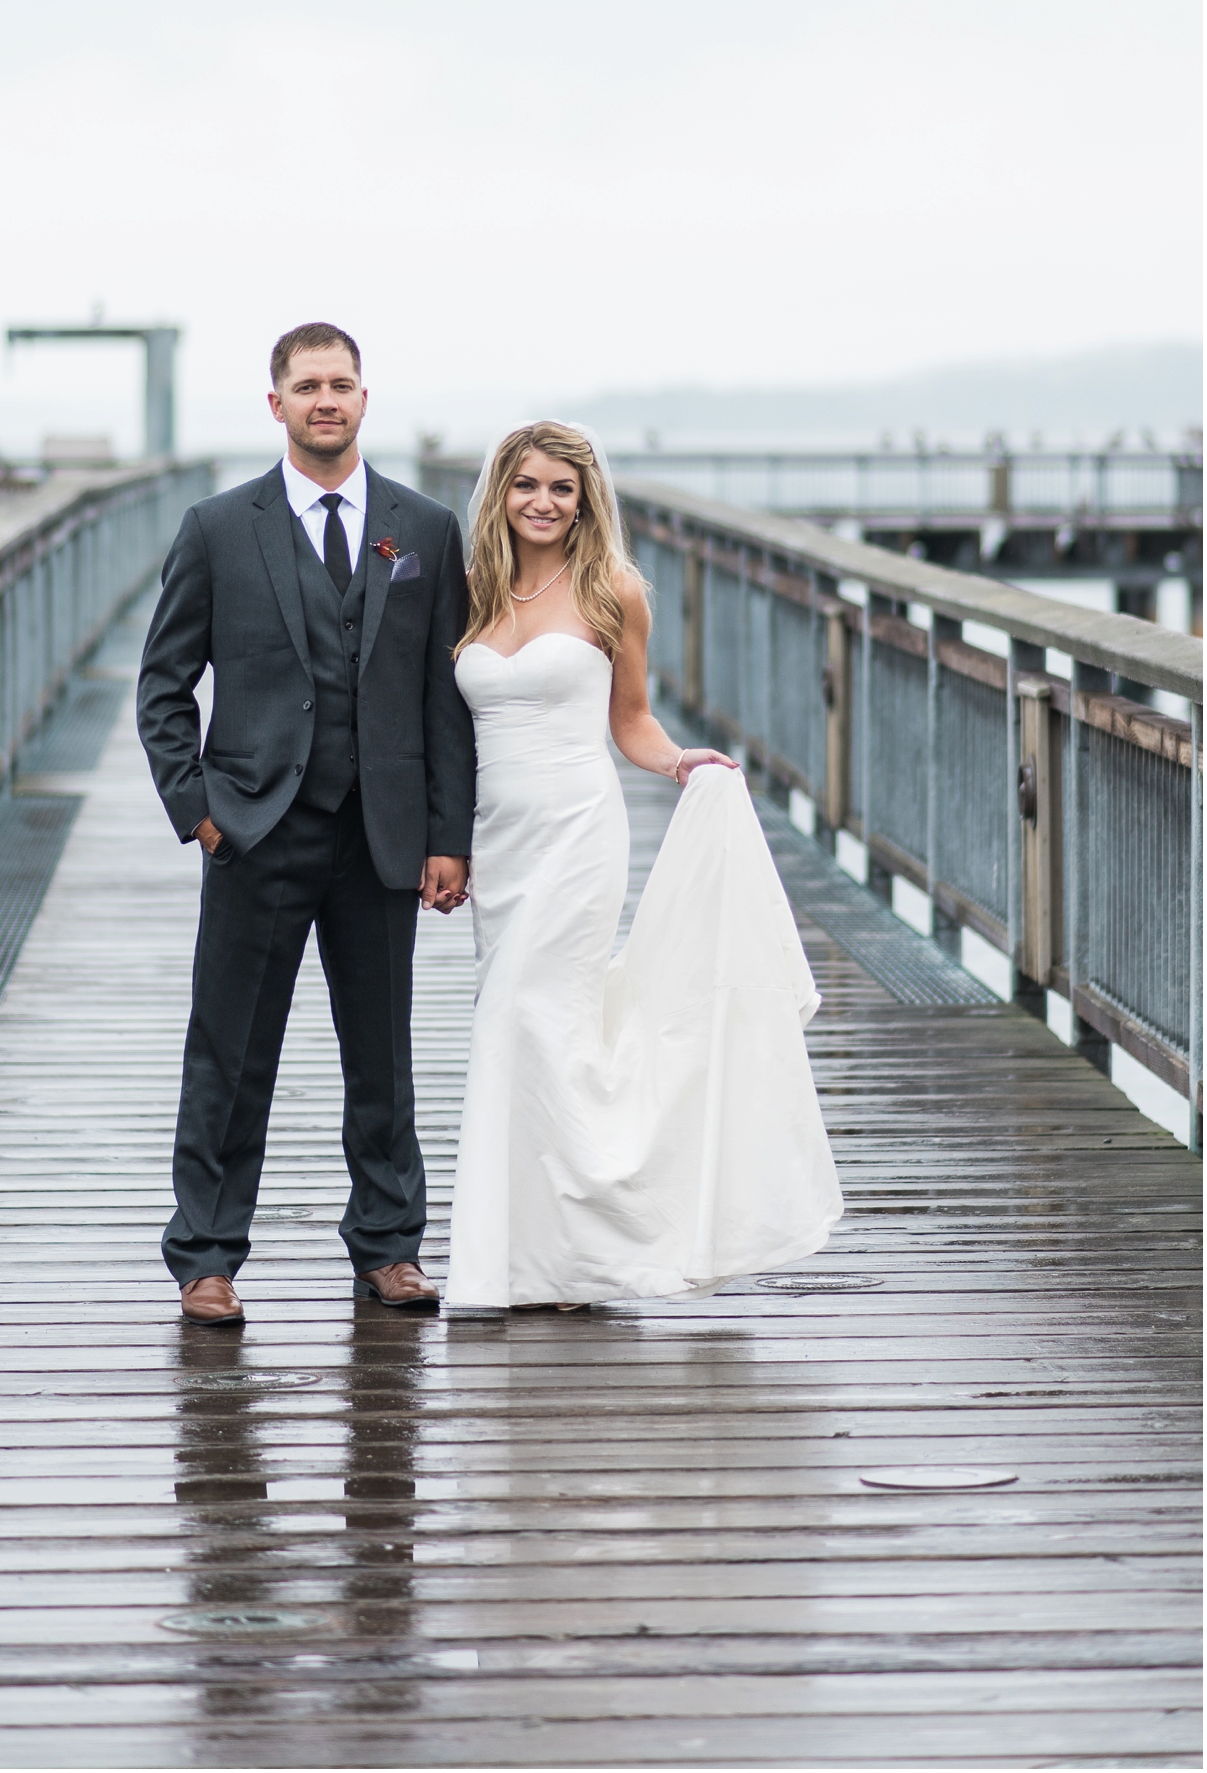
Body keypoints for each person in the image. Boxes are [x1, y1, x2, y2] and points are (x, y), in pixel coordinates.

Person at [445, 421, 843, 1312]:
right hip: (499, 842)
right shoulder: (468, 590)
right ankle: (539, 1258)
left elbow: (630, 719)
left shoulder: (613, 590)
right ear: (499, 492)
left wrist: (680, 763)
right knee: (528, 1035)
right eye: (527, 485)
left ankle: (549, 1256)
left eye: (561, 489)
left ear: (585, 501)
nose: (542, 503)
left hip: (580, 834)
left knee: (527, 1017)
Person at [136, 322, 475, 1326]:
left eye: (343, 384)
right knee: (230, 1050)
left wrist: (448, 836)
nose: (327, 399)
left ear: (366, 400)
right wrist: (197, 810)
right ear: (275, 402)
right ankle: (206, 1256)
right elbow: (163, 684)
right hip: (255, 828)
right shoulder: (215, 527)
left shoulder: (425, 529)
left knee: (383, 1050)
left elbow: (443, 698)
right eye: (307, 385)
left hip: (383, 834)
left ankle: (389, 1246)